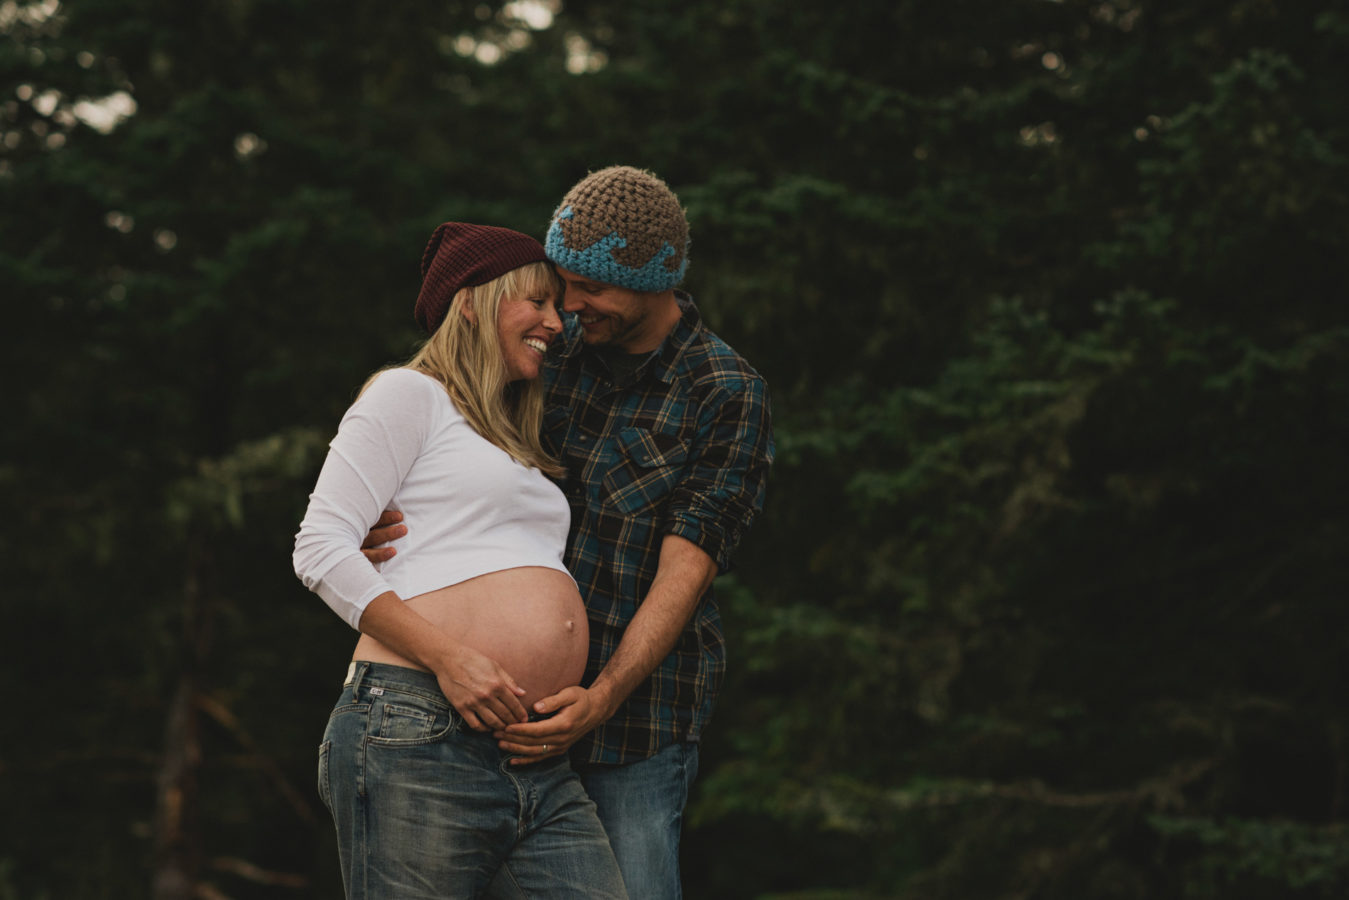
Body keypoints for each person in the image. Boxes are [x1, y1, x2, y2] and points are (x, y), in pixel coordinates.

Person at [363, 167, 775, 899]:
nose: (569, 305)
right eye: (560, 283)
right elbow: (441, 436)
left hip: (631, 728)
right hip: (482, 711)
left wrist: (604, 694)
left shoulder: (724, 390)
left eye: (590, 288)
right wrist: (382, 520)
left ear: (657, 281)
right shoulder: (548, 352)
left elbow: (689, 564)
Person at [292, 223, 627, 899]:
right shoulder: (407, 393)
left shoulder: (507, 437)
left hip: (532, 750)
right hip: (418, 727)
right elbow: (320, 546)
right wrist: (452, 659)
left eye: (556, 307)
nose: (555, 323)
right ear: (470, 300)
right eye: (534, 301)